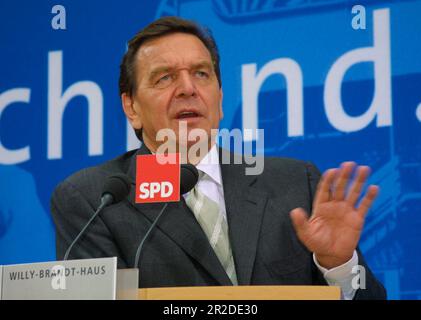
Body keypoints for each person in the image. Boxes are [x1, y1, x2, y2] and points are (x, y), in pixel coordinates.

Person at [51, 16, 386, 299]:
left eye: (201, 73)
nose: (187, 88)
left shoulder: (297, 183)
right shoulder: (98, 198)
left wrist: (338, 264)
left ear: (220, 97)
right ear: (131, 107)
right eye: (164, 77)